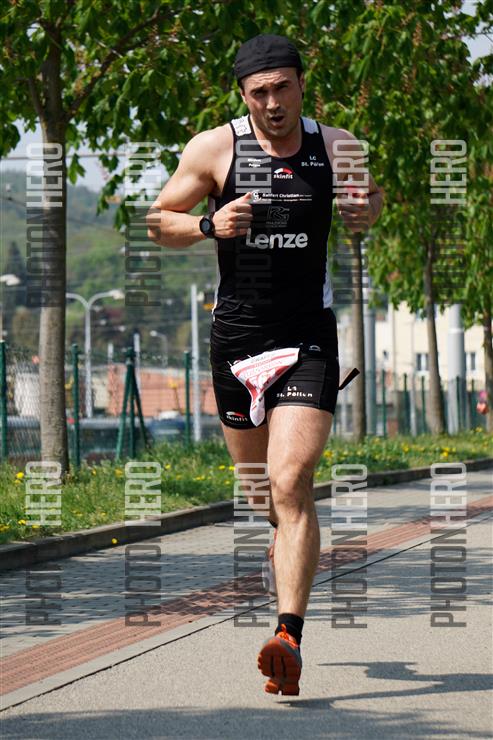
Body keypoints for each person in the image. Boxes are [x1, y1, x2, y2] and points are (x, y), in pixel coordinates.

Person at [147, 33, 383, 695]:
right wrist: (208, 225)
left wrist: (363, 210)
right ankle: (284, 542)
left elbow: (369, 202)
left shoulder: (337, 146)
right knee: (264, 495)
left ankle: (288, 636)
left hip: (307, 334)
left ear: (301, 85)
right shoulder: (214, 148)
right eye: (259, 93)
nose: (273, 103)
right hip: (237, 337)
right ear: (243, 95)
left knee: (291, 480)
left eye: (283, 88)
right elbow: (157, 220)